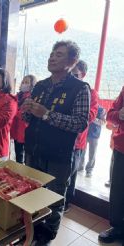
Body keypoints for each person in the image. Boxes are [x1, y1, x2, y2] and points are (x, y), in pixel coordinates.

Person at [22, 41, 90, 245]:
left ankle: (46, 238)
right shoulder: (41, 85)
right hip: (33, 150)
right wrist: (26, 110)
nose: (52, 57)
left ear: (72, 61)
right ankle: (30, 231)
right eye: (52, 53)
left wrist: (47, 115)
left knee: (54, 198)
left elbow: (80, 123)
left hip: (58, 156)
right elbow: (27, 119)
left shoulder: (79, 88)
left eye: (59, 55)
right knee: (31, 193)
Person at [64, 60, 98, 212]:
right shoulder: (64, 87)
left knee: (70, 174)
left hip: (77, 141)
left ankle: (66, 203)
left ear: (82, 75)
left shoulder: (90, 92)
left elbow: (90, 115)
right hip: (60, 139)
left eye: (75, 74)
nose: (71, 76)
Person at [99, 87, 124, 244]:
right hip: (122, 147)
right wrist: (120, 115)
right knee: (118, 189)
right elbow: (110, 114)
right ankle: (118, 227)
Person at [10, 74, 37, 163]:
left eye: (27, 82)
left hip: (25, 129)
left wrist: (13, 111)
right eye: (23, 82)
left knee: (27, 156)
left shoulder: (32, 97)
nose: (24, 84)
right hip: (16, 128)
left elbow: (24, 113)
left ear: (32, 85)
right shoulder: (17, 96)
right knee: (18, 153)